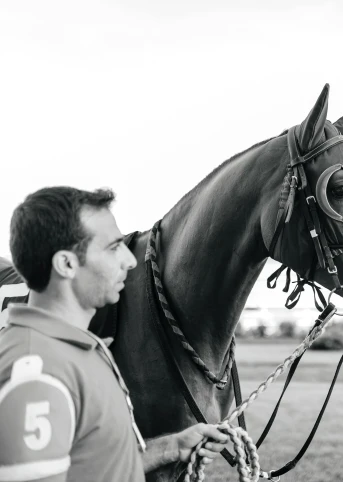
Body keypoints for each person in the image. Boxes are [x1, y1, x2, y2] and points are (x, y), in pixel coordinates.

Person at [0, 186, 228, 482]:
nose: (130, 261)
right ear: (67, 264)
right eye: (112, 247)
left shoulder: (82, 347)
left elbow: (92, 464)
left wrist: (170, 447)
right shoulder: (37, 373)